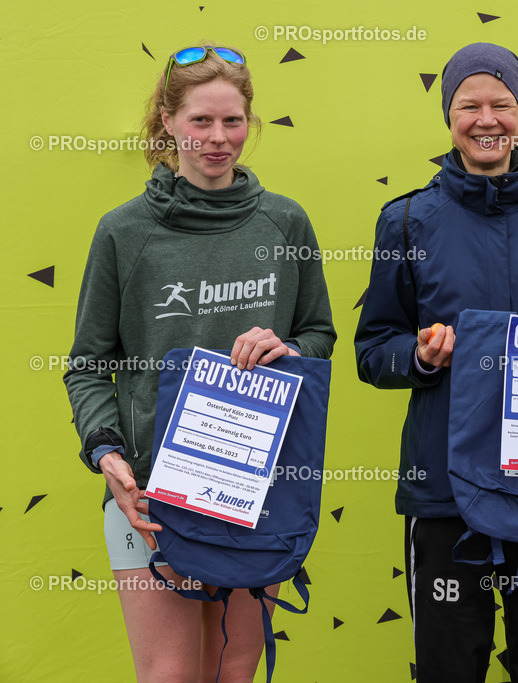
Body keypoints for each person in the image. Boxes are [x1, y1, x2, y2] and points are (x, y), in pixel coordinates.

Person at [64, 44, 335, 681]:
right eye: (200, 121)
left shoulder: (285, 223)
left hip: (255, 488)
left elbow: (319, 335)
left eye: (233, 121)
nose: (218, 138)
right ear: (167, 120)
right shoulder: (123, 231)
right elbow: (86, 363)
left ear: (251, 122)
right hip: (148, 494)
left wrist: (288, 352)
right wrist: (106, 453)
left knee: (234, 673)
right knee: (171, 674)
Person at [354, 42, 518, 683]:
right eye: (469, 104)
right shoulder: (407, 219)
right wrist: (417, 356)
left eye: (502, 103)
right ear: (449, 116)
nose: (486, 118)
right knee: (448, 667)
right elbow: (371, 348)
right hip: (443, 488)